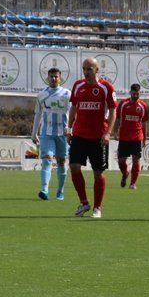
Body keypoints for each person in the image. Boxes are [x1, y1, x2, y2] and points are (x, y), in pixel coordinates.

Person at [67, 58, 117, 218]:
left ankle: (97, 208)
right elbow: (73, 108)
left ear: (97, 70)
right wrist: (69, 129)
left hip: (98, 137)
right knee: (74, 167)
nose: (86, 72)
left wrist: (108, 132)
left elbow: (113, 111)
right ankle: (84, 202)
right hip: (79, 134)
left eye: (89, 68)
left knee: (98, 173)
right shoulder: (77, 86)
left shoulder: (106, 87)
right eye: (84, 69)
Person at [31, 67, 71, 201]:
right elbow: (38, 114)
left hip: (63, 134)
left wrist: (71, 129)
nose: (53, 79)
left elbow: (73, 114)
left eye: (56, 77)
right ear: (48, 78)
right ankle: (44, 190)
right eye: (51, 76)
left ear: (60, 78)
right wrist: (33, 132)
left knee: (61, 162)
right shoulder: (42, 94)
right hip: (47, 133)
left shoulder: (67, 94)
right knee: (47, 160)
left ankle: (60, 191)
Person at [114, 83, 149, 190]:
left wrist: (145, 138)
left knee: (136, 160)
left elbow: (144, 123)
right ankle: (125, 174)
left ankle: (133, 183)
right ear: (130, 93)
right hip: (124, 137)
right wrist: (115, 132)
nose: (135, 96)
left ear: (140, 93)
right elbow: (118, 119)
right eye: (133, 94)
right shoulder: (123, 104)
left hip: (137, 137)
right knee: (121, 161)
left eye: (137, 94)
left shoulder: (143, 106)